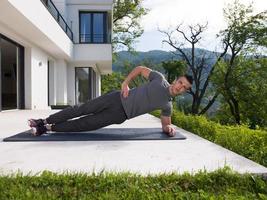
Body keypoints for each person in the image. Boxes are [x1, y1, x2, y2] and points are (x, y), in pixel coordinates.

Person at [28, 66, 192, 137]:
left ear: (184, 91)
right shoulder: (159, 79)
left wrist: (169, 128)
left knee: (85, 124)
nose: (180, 87)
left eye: (184, 87)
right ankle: (43, 121)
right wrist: (125, 83)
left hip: (119, 115)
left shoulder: (167, 106)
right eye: (180, 82)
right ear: (176, 80)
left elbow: (165, 125)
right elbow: (140, 69)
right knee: (80, 109)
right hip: (116, 97)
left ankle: (48, 128)